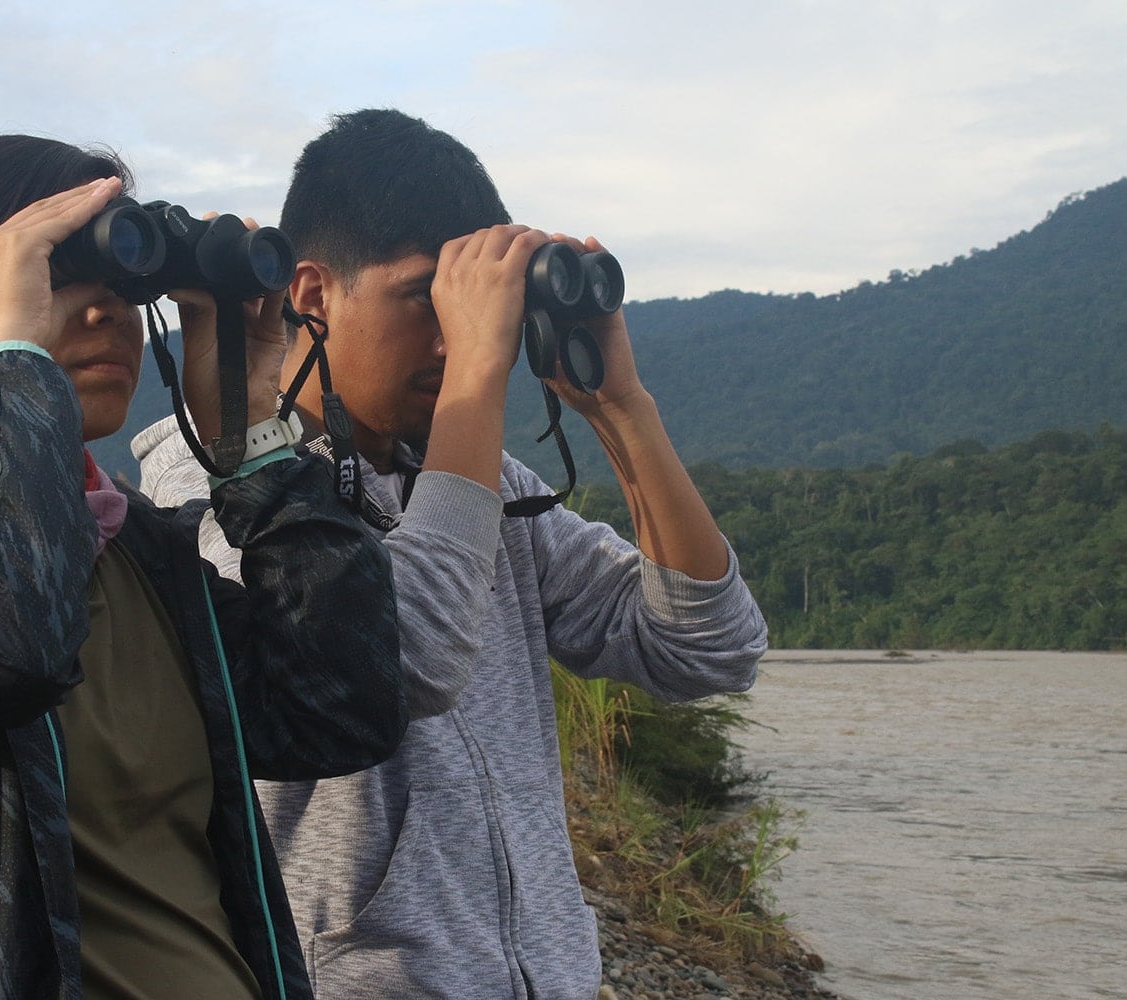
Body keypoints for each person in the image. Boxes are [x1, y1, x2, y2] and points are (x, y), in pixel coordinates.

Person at [0, 134, 404, 999]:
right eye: (54, 275)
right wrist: (11, 361)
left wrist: (253, 442)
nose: (107, 314)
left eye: (124, 284)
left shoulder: (136, 546)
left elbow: (341, 710)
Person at [134, 108, 769, 999]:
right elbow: (403, 656)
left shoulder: (489, 486)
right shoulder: (201, 487)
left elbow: (709, 649)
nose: (459, 340)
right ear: (310, 293)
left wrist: (622, 408)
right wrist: (477, 371)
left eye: (476, 313)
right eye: (424, 300)